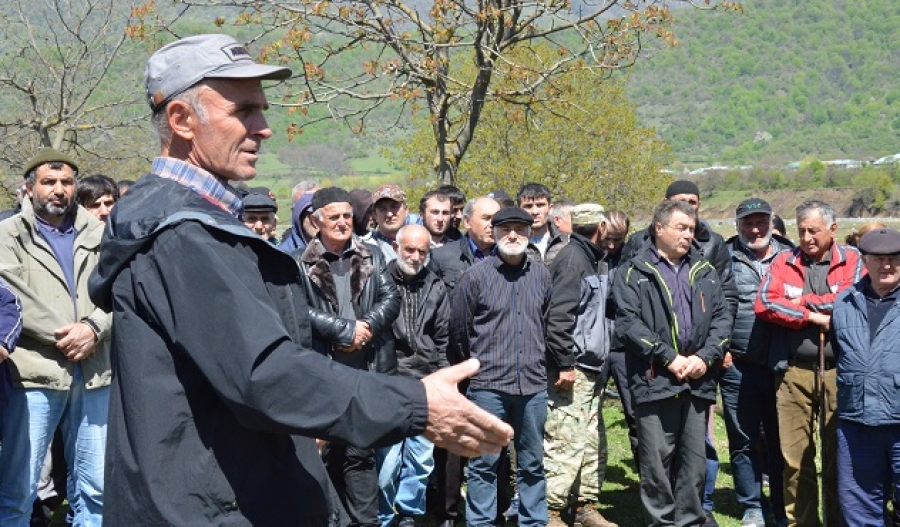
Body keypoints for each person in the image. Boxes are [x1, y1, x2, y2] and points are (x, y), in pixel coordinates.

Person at [86, 34, 512, 525]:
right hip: (207, 505)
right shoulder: (183, 238)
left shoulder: (180, 223)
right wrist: (415, 403)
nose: (264, 128)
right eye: (244, 111)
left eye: (262, 110)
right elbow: (265, 374)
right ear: (182, 120)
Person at [0, 147, 111, 526]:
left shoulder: (101, 233)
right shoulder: (8, 235)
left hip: (95, 373)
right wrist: (72, 334)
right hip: (34, 375)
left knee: (96, 489)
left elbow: (120, 291)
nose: (59, 189)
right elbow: (12, 297)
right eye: (49, 182)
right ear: (29, 187)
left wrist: (94, 328)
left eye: (66, 182)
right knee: (18, 490)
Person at [613, 199, 731, 527]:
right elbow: (628, 324)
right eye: (681, 228)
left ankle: (690, 521)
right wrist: (669, 357)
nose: (688, 235)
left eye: (691, 229)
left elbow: (722, 319)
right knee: (656, 465)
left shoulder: (704, 270)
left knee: (694, 464)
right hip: (655, 380)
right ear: (659, 228)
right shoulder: (633, 272)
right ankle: (661, 522)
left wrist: (704, 357)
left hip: (697, 380)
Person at [755, 200, 863, 527]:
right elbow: (765, 303)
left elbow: (850, 300)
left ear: (833, 229)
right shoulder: (783, 261)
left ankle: (837, 521)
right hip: (793, 373)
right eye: (801, 231)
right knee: (795, 459)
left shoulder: (853, 260)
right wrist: (811, 316)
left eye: (813, 231)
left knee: (838, 458)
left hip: (840, 372)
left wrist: (800, 301)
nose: (806, 238)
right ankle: (801, 523)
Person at [298, 186, 402, 526]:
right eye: (334, 217)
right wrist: (344, 330)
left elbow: (391, 298)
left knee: (361, 455)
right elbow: (299, 310)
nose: (343, 222)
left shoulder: (372, 255)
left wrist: (366, 327)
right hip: (323, 373)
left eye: (347, 215)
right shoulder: (299, 263)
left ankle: (365, 523)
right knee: (325, 454)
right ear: (316, 221)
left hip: (365, 371)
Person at [450, 207, 553, 527]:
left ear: (529, 234)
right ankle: (481, 523)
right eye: (505, 229)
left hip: (532, 386)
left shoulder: (541, 275)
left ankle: (533, 522)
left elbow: (546, 324)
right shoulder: (475, 277)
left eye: (520, 230)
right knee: (483, 464)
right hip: (488, 386)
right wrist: (477, 367)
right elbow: (459, 331)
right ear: (493, 233)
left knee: (532, 463)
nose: (512, 235)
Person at [427, 195, 502, 527]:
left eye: (496, 220)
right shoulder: (443, 258)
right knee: (453, 442)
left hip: (495, 363)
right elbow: (432, 310)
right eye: (486, 218)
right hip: (453, 360)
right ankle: (448, 512)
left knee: (494, 436)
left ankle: (493, 511)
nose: (492, 226)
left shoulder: (507, 257)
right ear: (467, 221)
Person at [543, 204, 617, 527]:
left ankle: (584, 507)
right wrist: (564, 364)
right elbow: (558, 319)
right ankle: (549, 512)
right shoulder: (573, 260)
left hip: (592, 367)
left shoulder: (594, 258)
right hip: (573, 367)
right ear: (600, 228)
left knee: (590, 440)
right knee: (565, 441)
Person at [722, 198, 792, 527]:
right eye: (747, 223)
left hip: (783, 365)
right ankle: (751, 505)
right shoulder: (723, 256)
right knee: (743, 439)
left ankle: (781, 506)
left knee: (782, 441)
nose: (754, 229)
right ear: (737, 225)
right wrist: (721, 349)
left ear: (771, 222)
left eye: (760, 222)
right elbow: (713, 306)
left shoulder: (791, 255)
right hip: (738, 364)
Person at [377, 224, 449, 527]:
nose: (416, 256)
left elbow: (443, 338)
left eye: (422, 251)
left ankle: (410, 514)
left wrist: (443, 380)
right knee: (387, 460)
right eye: (410, 250)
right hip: (389, 380)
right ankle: (383, 516)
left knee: (420, 458)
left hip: (425, 382)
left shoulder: (436, 285)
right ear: (396, 247)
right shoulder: (378, 280)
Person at [832, 228, 900, 525]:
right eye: (879, 258)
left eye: (894, 259)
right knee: (859, 505)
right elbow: (841, 353)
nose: (887, 265)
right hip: (856, 423)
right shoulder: (844, 303)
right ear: (864, 261)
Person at [368, 184, 410, 261]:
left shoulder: (420, 242)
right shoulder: (367, 249)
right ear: (375, 215)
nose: (389, 214)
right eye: (382, 209)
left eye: (394, 207)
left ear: (406, 210)